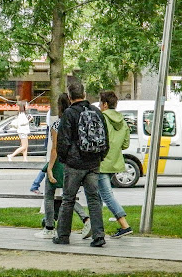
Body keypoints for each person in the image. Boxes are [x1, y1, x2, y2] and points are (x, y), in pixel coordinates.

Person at [54, 80, 109, 247]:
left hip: (74, 164)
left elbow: (62, 142)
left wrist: (65, 159)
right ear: (84, 95)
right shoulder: (96, 112)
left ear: (70, 97)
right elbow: (105, 138)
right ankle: (98, 236)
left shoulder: (69, 114)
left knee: (68, 199)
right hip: (93, 163)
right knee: (94, 199)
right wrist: (100, 157)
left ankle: (63, 235)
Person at [34, 93, 92, 239]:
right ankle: (86, 218)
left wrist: (50, 167)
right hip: (73, 161)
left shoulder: (57, 123)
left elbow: (55, 148)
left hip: (59, 162)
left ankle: (49, 227)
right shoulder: (76, 120)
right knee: (68, 196)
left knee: (49, 194)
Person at [98, 91, 133, 238]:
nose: (99, 106)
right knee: (99, 196)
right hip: (115, 162)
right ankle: (96, 227)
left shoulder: (101, 119)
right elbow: (125, 144)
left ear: (105, 104)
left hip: (101, 162)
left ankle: (124, 225)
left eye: (100, 103)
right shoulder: (123, 121)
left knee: (106, 195)